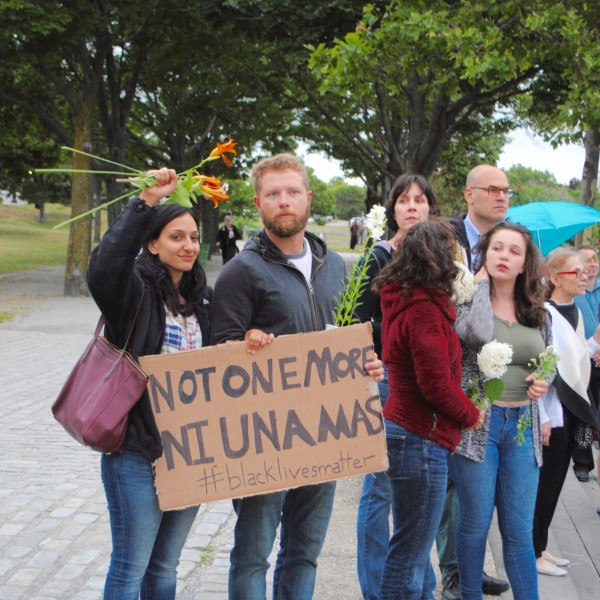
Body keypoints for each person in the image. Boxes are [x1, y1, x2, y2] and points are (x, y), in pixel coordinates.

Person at [208, 153, 384, 600]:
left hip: (324, 433)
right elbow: (219, 357)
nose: (283, 201)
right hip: (263, 437)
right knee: (253, 556)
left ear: (307, 197)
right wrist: (245, 344)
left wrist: (367, 364)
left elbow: (345, 339)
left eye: (291, 192)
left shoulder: (335, 267)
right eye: (273, 194)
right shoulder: (239, 272)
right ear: (258, 203)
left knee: (304, 553)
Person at [86, 168, 211, 599]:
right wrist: (146, 202)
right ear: (153, 243)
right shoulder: (133, 294)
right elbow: (104, 267)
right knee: (131, 567)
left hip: (191, 452)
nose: (189, 246)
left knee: (165, 568)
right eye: (177, 237)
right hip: (137, 451)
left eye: (194, 237)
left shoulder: (202, 302)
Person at [371, 220, 483, 599]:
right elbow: (434, 384)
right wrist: (470, 414)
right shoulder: (423, 311)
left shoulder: (407, 300)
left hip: (408, 433)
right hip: (419, 437)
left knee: (410, 547)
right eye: (453, 253)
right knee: (410, 551)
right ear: (439, 259)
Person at [450, 221, 551, 600]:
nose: (504, 257)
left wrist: (544, 381)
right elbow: (473, 335)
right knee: (475, 524)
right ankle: (470, 594)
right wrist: (477, 287)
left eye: (514, 251)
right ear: (484, 254)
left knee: (519, 531)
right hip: (479, 426)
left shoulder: (537, 309)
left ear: (525, 263)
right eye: (496, 249)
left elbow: (546, 360)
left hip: (523, 426)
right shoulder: (465, 301)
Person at [354, 174, 440, 600]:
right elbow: (355, 320)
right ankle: (377, 586)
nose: (412, 207)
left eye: (420, 200)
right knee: (381, 488)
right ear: (392, 209)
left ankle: (419, 586)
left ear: (430, 209)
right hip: (387, 381)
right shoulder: (378, 256)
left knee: (420, 493)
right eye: (404, 200)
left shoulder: (443, 258)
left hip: (429, 386)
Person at [440, 164, 513, 600]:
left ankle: (467, 567)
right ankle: (451, 572)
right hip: (445, 369)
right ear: (469, 195)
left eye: (507, 190)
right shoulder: (443, 238)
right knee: (448, 482)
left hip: (490, 374)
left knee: (472, 485)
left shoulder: (512, 242)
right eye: (492, 189)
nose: (502, 196)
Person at [533, 249, 600, 577]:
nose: (585, 275)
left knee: (557, 481)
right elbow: (545, 368)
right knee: (545, 484)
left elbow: (575, 360)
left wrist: (595, 342)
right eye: (577, 271)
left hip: (571, 408)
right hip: (553, 412)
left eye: (585, 270)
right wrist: (542, 416)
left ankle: (541, 547)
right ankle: (533, 551)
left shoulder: (575, 310)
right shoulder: (545, 313)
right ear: (556, 277)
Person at [572, 244, 600, 481]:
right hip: (582, 359)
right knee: (583, 409)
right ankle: (582, 462)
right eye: (587, 260)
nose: (592, 263)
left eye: (595, 259)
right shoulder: (575, 292)